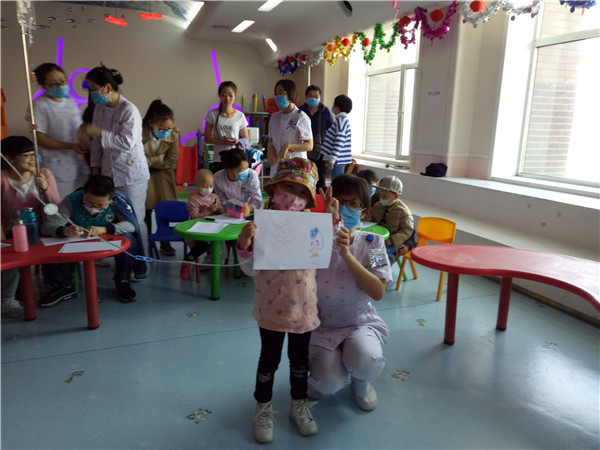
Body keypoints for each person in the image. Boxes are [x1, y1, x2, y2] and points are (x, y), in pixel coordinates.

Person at [237, 158, 320, 444]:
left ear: (309, 199)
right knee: (269, 361)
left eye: (302, 192)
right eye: (288, 188)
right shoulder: (261, 225)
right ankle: (263, 407)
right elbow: (249, 270)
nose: (293, 197)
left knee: (300, 362)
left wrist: (335, 224)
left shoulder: (313, 226)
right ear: (273, 189)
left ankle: (299, 404)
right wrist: (244, 244)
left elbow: (326, 259)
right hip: (271, 307)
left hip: (304, 309)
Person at [308, 174, 392, 411]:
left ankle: (361, 381)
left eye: (353, 203)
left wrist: (346, 253)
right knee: (327, 383)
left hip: (359, 321)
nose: (345, 207)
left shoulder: (374, 243)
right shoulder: (313, 238)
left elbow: (378, 291)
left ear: (364, 212)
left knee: (367, 360)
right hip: (322, 325)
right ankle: (324, 375)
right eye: (339, 201)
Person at [80, 65, 150, 275]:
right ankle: (120, 261)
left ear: (107, 88)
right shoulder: (100, 109)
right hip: (107, 174)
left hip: (131, 175)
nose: (91, 93)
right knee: (114, 220)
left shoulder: (129, 110)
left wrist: (99, 132)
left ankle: (141, 264)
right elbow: (96, 144)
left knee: (134, 220)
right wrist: (95, 168)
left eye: (94, 88)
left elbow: (127, 142)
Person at [40, 175, 146, 305]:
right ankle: (64, 286)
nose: (94, 207)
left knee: (129, 239)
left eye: (100, 205)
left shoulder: (118, 200)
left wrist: (105, 229)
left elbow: (131, 225)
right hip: (78, 240)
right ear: (83, 193)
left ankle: (122, 280)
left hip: (106, 239)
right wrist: (65, 230)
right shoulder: (72, 200)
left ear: (111, 199)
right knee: (54, 240)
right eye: (89, 202)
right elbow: (47, 226)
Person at [32, 63, 90, 198]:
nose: (60, 86)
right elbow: (39, 138)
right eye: (54, 83)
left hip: (76, 163)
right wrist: (70, 146)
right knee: (61, 204)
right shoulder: (40, 105)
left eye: (63, 81)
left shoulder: (69, 102)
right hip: (56, 167)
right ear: (44, 85)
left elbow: (76, 129)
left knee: (79, 202)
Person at [142, 99, 180, 257]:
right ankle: (147, 243)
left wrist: (150, 161)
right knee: (145, 209)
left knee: (165, 206)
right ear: (151, 123)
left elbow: (171, 161)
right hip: (143, 174)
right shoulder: (139, 132)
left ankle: (165, 241)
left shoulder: (174, 133)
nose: (166, 131)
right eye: (161, 128)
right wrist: (159, 158)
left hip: (165, 173)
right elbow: (139, 160)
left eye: (169, 128)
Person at [1, 136, 61, 235]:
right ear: (10, 159)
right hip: (11, 233)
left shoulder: (44, 174)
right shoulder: (2, 179)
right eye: (26, 155)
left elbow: (58, 207)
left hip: (42, 232)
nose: (33, 159)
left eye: (33, 154)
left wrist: (46, 189)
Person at [180, 169, 223, 280]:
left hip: (214, 227)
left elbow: (220, 214)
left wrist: (219, 210)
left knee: (220, 241)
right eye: (204, 186)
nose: (208, 188)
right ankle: (188, 260)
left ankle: (210, 259)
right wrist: (208, 211)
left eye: (211, 185)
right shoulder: (193, 200)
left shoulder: (215, 197)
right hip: (198, 229)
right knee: (206, 242)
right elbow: (194, 218)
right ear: (196, 185)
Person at [267, 79, 313, 178]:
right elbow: (271, 139)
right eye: (276, 94)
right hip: (277, 166)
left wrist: (288, 146)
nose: (278, 96)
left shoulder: (301, 117)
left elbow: (309, 145)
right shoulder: (274, 117)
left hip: (295, 166)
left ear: (290, 93)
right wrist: (270, 150)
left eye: (281, 92)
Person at [203, 81, 249, 173]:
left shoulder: (240, 116)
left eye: (230, 95)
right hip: (219, 158)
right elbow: (207, 138)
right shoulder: (212, 114)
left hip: (236, 158)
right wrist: (222, 142)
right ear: (219, 95)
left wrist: (237, 141)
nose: (227, 98)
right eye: (224, 95)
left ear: (235, 96)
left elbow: (246, 139)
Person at [371, 175, 414, 261]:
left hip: (392, 244)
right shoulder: (377, 206)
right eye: (380, 195)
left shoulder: (403, 211)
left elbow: (407, 230)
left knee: (377, 256)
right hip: (375, 238)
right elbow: (372, 220)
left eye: (385, 196)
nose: (381, 198)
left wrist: (391, 240)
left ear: (396, 196)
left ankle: (378, 269)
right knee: (361, 248)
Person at [299, 85, 334, 191]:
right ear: (306, 97)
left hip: (321, 151)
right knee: (303, 179)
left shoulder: (325, 111)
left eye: (316, 96)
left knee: (321, 181)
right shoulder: (300, 111)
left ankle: (320, 200)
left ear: (320, 97)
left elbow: (331, 130)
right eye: (311, 96)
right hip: (303, 150)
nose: (313, 98)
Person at [322, 95, 353, 181]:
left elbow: (339, 142)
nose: (333, 106)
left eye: (334, 104)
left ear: (338, 106)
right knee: (337, 183)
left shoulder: (341, 121)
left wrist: (332, 160)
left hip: (337, 160)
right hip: (337, 159)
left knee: (337, 183)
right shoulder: (341, 120)